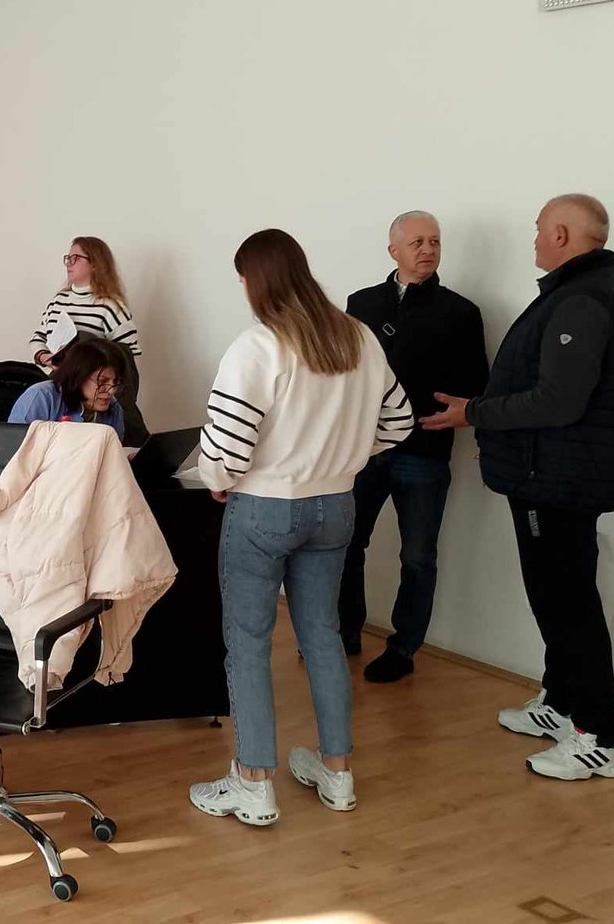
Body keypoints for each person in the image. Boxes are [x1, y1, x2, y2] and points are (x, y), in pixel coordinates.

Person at [190, 230, 413, 828]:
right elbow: (399, 422)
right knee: (322, 636)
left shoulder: (258, 346)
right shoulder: (358, 337)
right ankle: (337, 773)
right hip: (336, 504)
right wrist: (343, 459)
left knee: (248, 642)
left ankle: (253, 783)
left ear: (255, 281)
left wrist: (218, 478)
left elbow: (225, 450)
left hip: (264, 507)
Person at [423, 194, 614, 781]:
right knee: (555, 597)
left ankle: (598, 738)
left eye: (541, 229)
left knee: (569, 604)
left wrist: (475, 413)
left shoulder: (584, 300)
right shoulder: (582, 292)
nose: (536, 238)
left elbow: (558, 401)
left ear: (563, 235)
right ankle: (562, 704)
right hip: (551, 475)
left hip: (558, 481)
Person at [338, 212, 488, 682]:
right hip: (363, 450)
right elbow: (344, 371)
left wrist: (465, 415)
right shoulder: (361, 303)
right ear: (394, 251)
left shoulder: (461, 312)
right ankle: (343, 632)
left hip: (424, 451)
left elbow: (476, 385)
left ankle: (403, 649)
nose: (428, 249)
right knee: (345, 543)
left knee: (418, 556)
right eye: (418, 241)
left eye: (435, 241)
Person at [28, 237, 142, 367]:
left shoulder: (110, 307)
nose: (68, 263)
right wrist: (44, 356)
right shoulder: (58, 301)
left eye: (75, 258)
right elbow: (38, 338)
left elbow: (129, 354)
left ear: (95, 264)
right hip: (54, 377)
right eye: (68, 258)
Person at [7, 336, 126, 437]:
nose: (111, 390)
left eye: (115, 381)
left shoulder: (114, 409)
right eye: (101, 381)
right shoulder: (42, 397)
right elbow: (14, 448)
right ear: (78, 377)